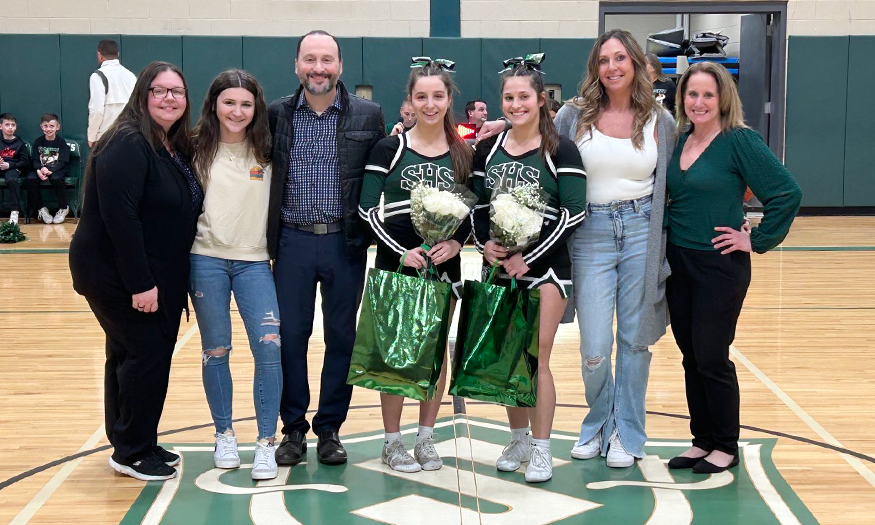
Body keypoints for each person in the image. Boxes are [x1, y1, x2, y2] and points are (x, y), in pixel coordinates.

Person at [665, 62, 801, 473]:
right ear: (682, 99)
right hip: (680, 260)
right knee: (690, 355)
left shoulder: (740, 140)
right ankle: (701, 440)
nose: (699, 102)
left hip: (720, 265)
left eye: (708, 94)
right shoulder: (679, 140)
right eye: (692, 94)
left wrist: (754, 239)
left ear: (724, 98)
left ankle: (725, 444)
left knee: (711, 355)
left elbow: (786, 194)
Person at [69, 61, 203, 481]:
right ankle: (131, 450)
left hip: (149, 271)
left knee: (128, 354)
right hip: (116, 273)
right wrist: (141, 283)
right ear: (142, 95)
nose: (169, 98)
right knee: (146, 354)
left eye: (177, 92)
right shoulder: (127, 142)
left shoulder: (166, 142)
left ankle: (135, 438)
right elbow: (121, 219)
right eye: (159, 91)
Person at [555, 29, 676, 469]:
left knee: (634, 341)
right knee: (594, 347)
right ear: (595, 67)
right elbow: (541, 155)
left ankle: (627, 432)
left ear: (635, 63)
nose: (612, 67)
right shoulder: (572, 116)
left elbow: (676, 181)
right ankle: (598, 420)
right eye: (604, 60)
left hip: (643, 230)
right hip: (590, 232)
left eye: (621, 58)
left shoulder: (660, 121)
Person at [269, 30, 385, 467]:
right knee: (291, 338)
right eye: (310, 59)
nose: (319, 68)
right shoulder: (276, 114)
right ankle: (293, 429)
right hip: (292, 242)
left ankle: (331, 429)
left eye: (327, 60)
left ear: (340, 66)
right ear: (297, 65)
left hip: (345, 242)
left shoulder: (368, 115)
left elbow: (383, 170)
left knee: (342, 338)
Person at [472, 54, 586, 483]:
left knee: (534, 357)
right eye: (509, 97)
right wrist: (484, 242)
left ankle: (541, 449)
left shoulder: (561, 148)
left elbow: (574, 213)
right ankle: (518, 438)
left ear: (541, 100)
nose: (516, 104)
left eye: (524, 96)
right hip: (501, 268)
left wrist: (530, 256)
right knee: (507, 358)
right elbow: (478, 208)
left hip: (546, 268)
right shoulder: (489, 148)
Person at [359, 58, 472, 473]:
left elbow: (471, 214)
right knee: (396, 355)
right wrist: (401, 250)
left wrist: (457, 242)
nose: (429, 104)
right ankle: (392, 442)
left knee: (437, 352)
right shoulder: (390, 148)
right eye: (421, 96)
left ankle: (426, 438)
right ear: (410, 100)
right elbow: (366, 209)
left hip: (443, 265)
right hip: (398, 259)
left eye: (437, 96)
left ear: (448, 100)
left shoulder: (463, 152)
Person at [189, 69, 280, 480]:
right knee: (216, 351)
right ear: (213, 104)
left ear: (255, 109)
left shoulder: (269, 150)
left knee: (268, 350)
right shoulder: (193, 148)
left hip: (256, 261)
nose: (237, 111)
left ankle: (265, 442)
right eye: (229, 102)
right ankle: (224, 433)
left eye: (246, 104)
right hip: (205, 259)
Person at [88, 39, 137, 148]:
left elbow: (96, 111)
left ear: (99, 55)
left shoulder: (98, 76)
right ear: (118, 54)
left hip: (106, 137)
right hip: (130, 135)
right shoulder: (130, 76)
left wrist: (92, 137)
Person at [28, 113, 71, 224]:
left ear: (57, 127)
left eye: (51, 126)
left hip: (56, 170)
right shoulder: (38, 141)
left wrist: (51, 170)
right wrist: (38, 170)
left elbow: (63, 161)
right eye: (46, 126)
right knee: (31, 179)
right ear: (42, 127)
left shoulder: (61, 143)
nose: (48, 129)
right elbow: (35, 159)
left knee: (56, 179)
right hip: (41, 169)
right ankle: (41, 208)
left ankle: (63, 207)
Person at [0, 113, 30, 225]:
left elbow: (25, 162)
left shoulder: (20, 144)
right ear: (0, 126)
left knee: (12, 180)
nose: (10, 127)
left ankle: (14, 212)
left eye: (13, 125)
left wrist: (9, 165)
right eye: (7, 124)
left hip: (12, 169)